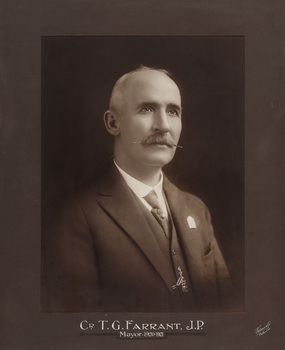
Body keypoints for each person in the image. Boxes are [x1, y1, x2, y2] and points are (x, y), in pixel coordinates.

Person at [42, 66, 239, 312]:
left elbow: (228, 307)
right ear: (113, 123)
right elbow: (79, 329)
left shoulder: (196, 209)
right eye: (147, 109)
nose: (163, 126)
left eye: (173, 111)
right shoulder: (79, 216)